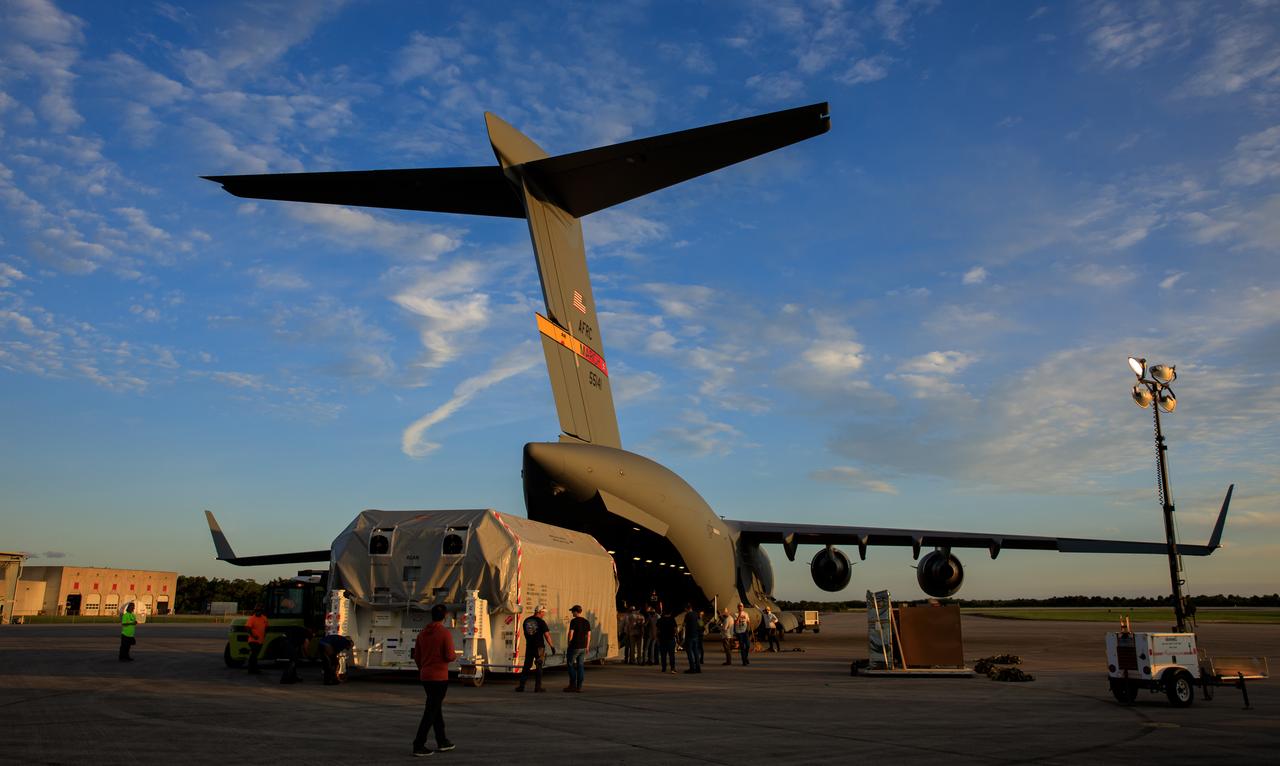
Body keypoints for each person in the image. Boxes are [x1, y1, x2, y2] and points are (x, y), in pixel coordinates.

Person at [411, 603, 456, 757]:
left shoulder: (422, 633)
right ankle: (419, 743)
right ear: (445, 616)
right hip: (440, 676)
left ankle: (442, 740)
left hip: (426, 675)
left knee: (435, 708)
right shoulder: (444, 633)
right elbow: (449, 656)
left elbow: (417, 656)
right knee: (431, 711)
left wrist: (423, 668)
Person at [514, 604, 554, 692]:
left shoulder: (526, 620)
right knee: (539, 667)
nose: (544, 614)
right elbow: (547, 635)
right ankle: (538, 687)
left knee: (526, 667)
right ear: (540, 612)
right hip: (539, 647)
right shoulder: (541, 622)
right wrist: (552, 646)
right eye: (543, 613)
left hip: (529, 647)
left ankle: (521, 686)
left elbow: (525, 633)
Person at [564, 604, 591, 692]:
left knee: (570, 664)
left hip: (575, 646)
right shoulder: (586, 621)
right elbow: (589, 635)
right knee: (580, 666)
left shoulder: (574, 621)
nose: (572, 613)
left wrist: (569, 643)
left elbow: (571, 633)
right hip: (583, 647)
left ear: (576, 612)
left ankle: (572, 685)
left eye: (572, 611)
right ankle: (579, 687)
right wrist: (587, 646)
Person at [245, 605, 268, 674]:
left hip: (260, 641)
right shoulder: (252, 618)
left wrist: (264, 634)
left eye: (259, 611)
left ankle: (253, 669)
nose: (258, 612)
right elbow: (248, 628)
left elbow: (266, 627)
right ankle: (251, 669)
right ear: (255, 611)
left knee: (255, 655)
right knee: (254, 654)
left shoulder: (264, 618)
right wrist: (253, 636)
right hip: (253, 640)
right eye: (257, 611)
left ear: (262, 611)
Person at [681, 605, 703, 673]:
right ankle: (698, 668)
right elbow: (701, 624)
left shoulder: (687, 615)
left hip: (689, 636)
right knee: (696, 651)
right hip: (696, 635)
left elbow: (683, 624)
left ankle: (692, 668)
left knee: (689, 652)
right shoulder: (696, 614)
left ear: (687, 609)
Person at [655, 608, 678, 673]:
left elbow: (657, 630)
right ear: (670, 613)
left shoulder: (660, 620)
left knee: (663, 655)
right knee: (671, 655)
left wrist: (657, 637)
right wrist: (677, 637)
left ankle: (664, 668)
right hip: (671, 639)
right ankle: (672, 668)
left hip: (662, 639)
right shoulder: (672, 619)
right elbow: (675, 629)